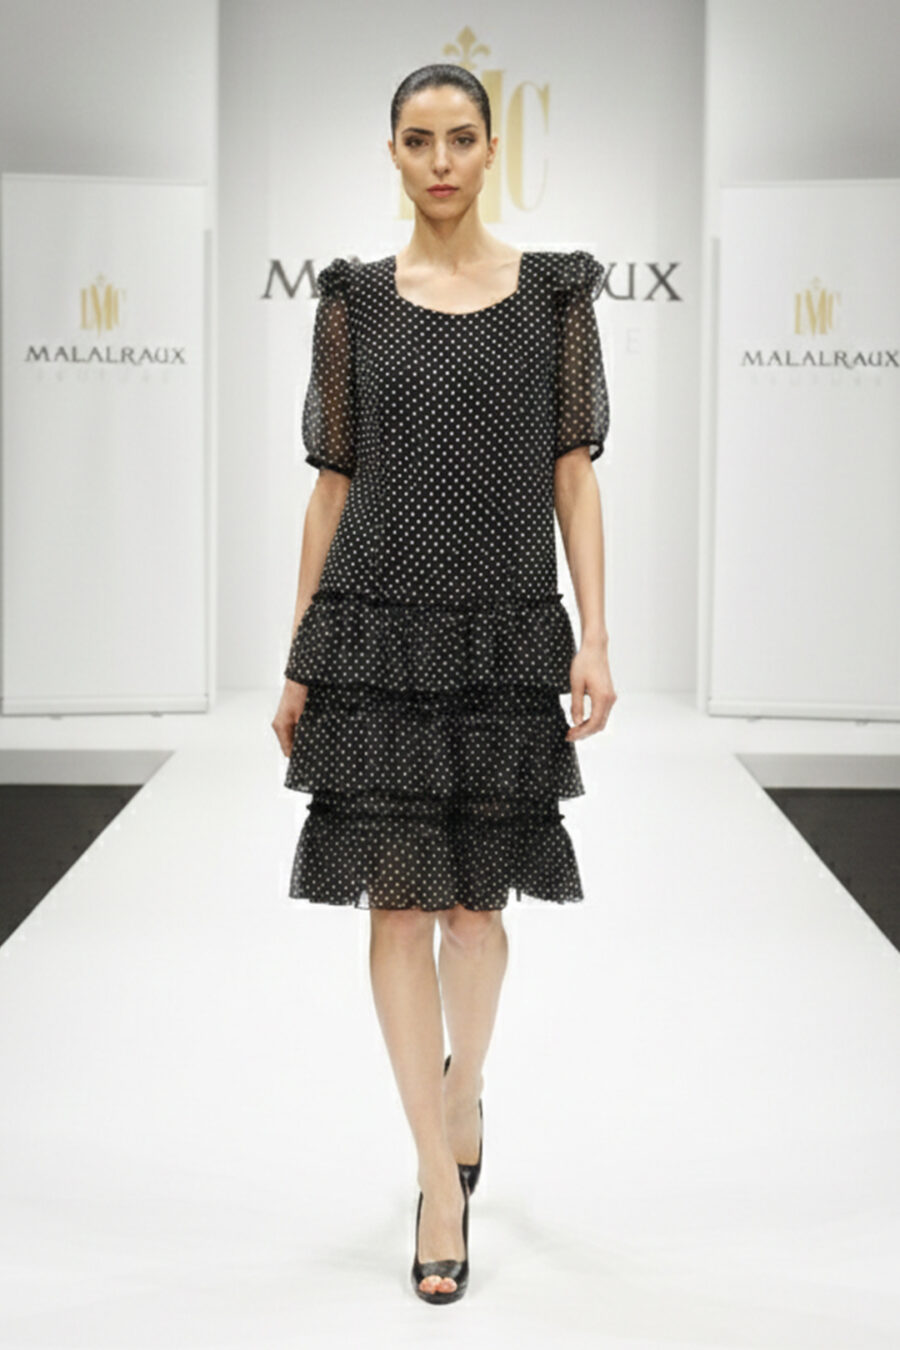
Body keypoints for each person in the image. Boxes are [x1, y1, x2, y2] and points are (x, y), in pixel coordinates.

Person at [271, 63, 616, 1304]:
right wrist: (300, 654)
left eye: (461, 139)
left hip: (506, 633)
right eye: (418, 141)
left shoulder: (554, 296)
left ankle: (465, 1089)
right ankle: (435, 1171)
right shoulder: (355, 301)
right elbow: (333, 487)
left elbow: (573, 473)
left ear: (490, 147)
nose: (441, 163)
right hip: (377, 633)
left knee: (475, 915)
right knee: (396, 912)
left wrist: (595, 634)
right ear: (393, 152)